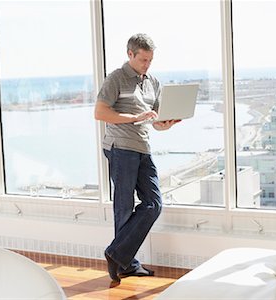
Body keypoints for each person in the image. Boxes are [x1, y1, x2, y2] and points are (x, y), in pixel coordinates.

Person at [94, 33, 181, 283]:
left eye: (150, 60)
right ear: (130, 54)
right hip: (120, 147)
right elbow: (100, 112)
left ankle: (116, 254)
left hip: (142, 147)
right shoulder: (116, 78)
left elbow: (155, 123)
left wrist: (167, 123)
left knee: (153, 204)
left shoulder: (153, 81)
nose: (147, 65)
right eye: (143, 59)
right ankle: (127, 264)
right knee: (124, 207)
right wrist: (133, 118)